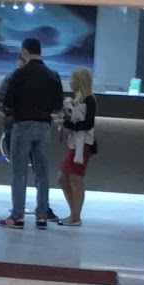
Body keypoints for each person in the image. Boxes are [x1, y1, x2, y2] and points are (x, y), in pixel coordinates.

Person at [0, 36, 63, 230]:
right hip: (43, 126)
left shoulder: (18, 75)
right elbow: (58, 104)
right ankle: (41, 214)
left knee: (18, 172)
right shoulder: (52, 75)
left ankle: (17, 215)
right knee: (42, 172)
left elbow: (7, 103)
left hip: (22, 124)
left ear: (24, 51)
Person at [58, 65, 97, 227]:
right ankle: (74, 214)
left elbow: (88, 124)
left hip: (83, 145)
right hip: (75, 144)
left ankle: (75, 216)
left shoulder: (89, 100)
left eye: (73, 79)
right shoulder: (78, 100)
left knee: (75, 178)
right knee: (64, 178)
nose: (70, 82)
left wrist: (68, 125)